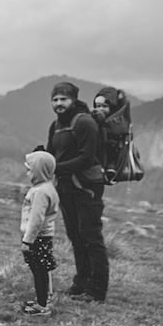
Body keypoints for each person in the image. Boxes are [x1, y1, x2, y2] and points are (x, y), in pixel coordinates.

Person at [46, 81, 108, 301]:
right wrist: (41, 156)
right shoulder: (56, 126)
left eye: (63, 99)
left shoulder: (84, 122)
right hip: (65, 187)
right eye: (55, 99)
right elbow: (53, 153)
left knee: (91, 237)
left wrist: (55, 167)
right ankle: (81, 283)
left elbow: (87, 158)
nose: (59, 103)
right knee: (76, 236)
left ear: (73, 100)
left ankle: (97, 290)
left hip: (87, 188)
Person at [19, 150, 60, 314]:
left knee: (39, 270)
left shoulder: (40, 192)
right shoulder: (48, 188)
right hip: (44, 236)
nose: (28, 173)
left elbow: (36, 219)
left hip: (38, 238)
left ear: (39, 170)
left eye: (30, 169)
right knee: (43, 269)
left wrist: (27, 240)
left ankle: (42, 306)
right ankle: (44, 300)